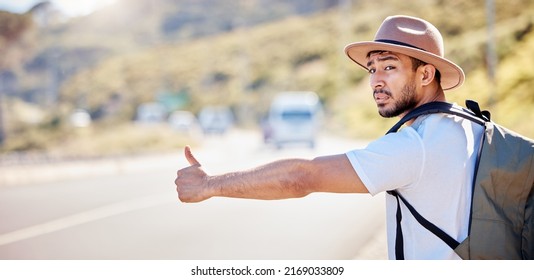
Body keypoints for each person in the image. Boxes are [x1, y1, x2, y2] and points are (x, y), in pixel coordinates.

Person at [174, 15, 483, 260]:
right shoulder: (472, 126)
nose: (376, 80)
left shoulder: (415, 144)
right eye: (372, 69)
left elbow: (300, 178)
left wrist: (208, 185)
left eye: (389, 67)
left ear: (426, 75)